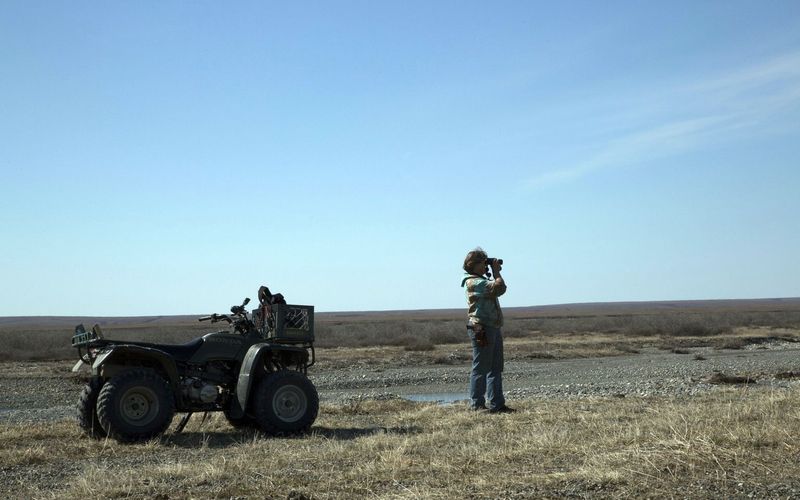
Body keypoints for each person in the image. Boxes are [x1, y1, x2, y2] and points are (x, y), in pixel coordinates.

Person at [461, 247, 515, 413]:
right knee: (481, 367)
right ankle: (477, 405)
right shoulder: (474, 282)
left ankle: (497, 404)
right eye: (483, 263)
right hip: (481, 327)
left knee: (495, 367)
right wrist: (496, 271)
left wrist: (493, 269)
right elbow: (499, 288)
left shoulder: (480, 280)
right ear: (475, 265)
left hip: (492, 326)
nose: (486, 266)